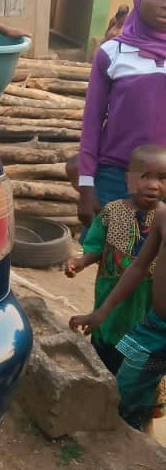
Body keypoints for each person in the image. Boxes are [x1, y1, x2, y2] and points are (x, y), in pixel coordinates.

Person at [77, 0, 166, 234]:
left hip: (165, 180)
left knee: (156, 257)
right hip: (118, 175)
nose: (164, 4)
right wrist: (86, 185)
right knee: (114, 253)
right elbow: (92, 122)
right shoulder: (112, 53)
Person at [65, 145, 166, 374]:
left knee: (137, 352)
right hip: (110, 290)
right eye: (144, 176)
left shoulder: (162, 219)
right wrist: (81, 262)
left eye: (162, 178)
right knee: (105, 342)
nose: (153, 185)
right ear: (128, 179)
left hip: (146, 297)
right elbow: (98, 246)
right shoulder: (113, 211)